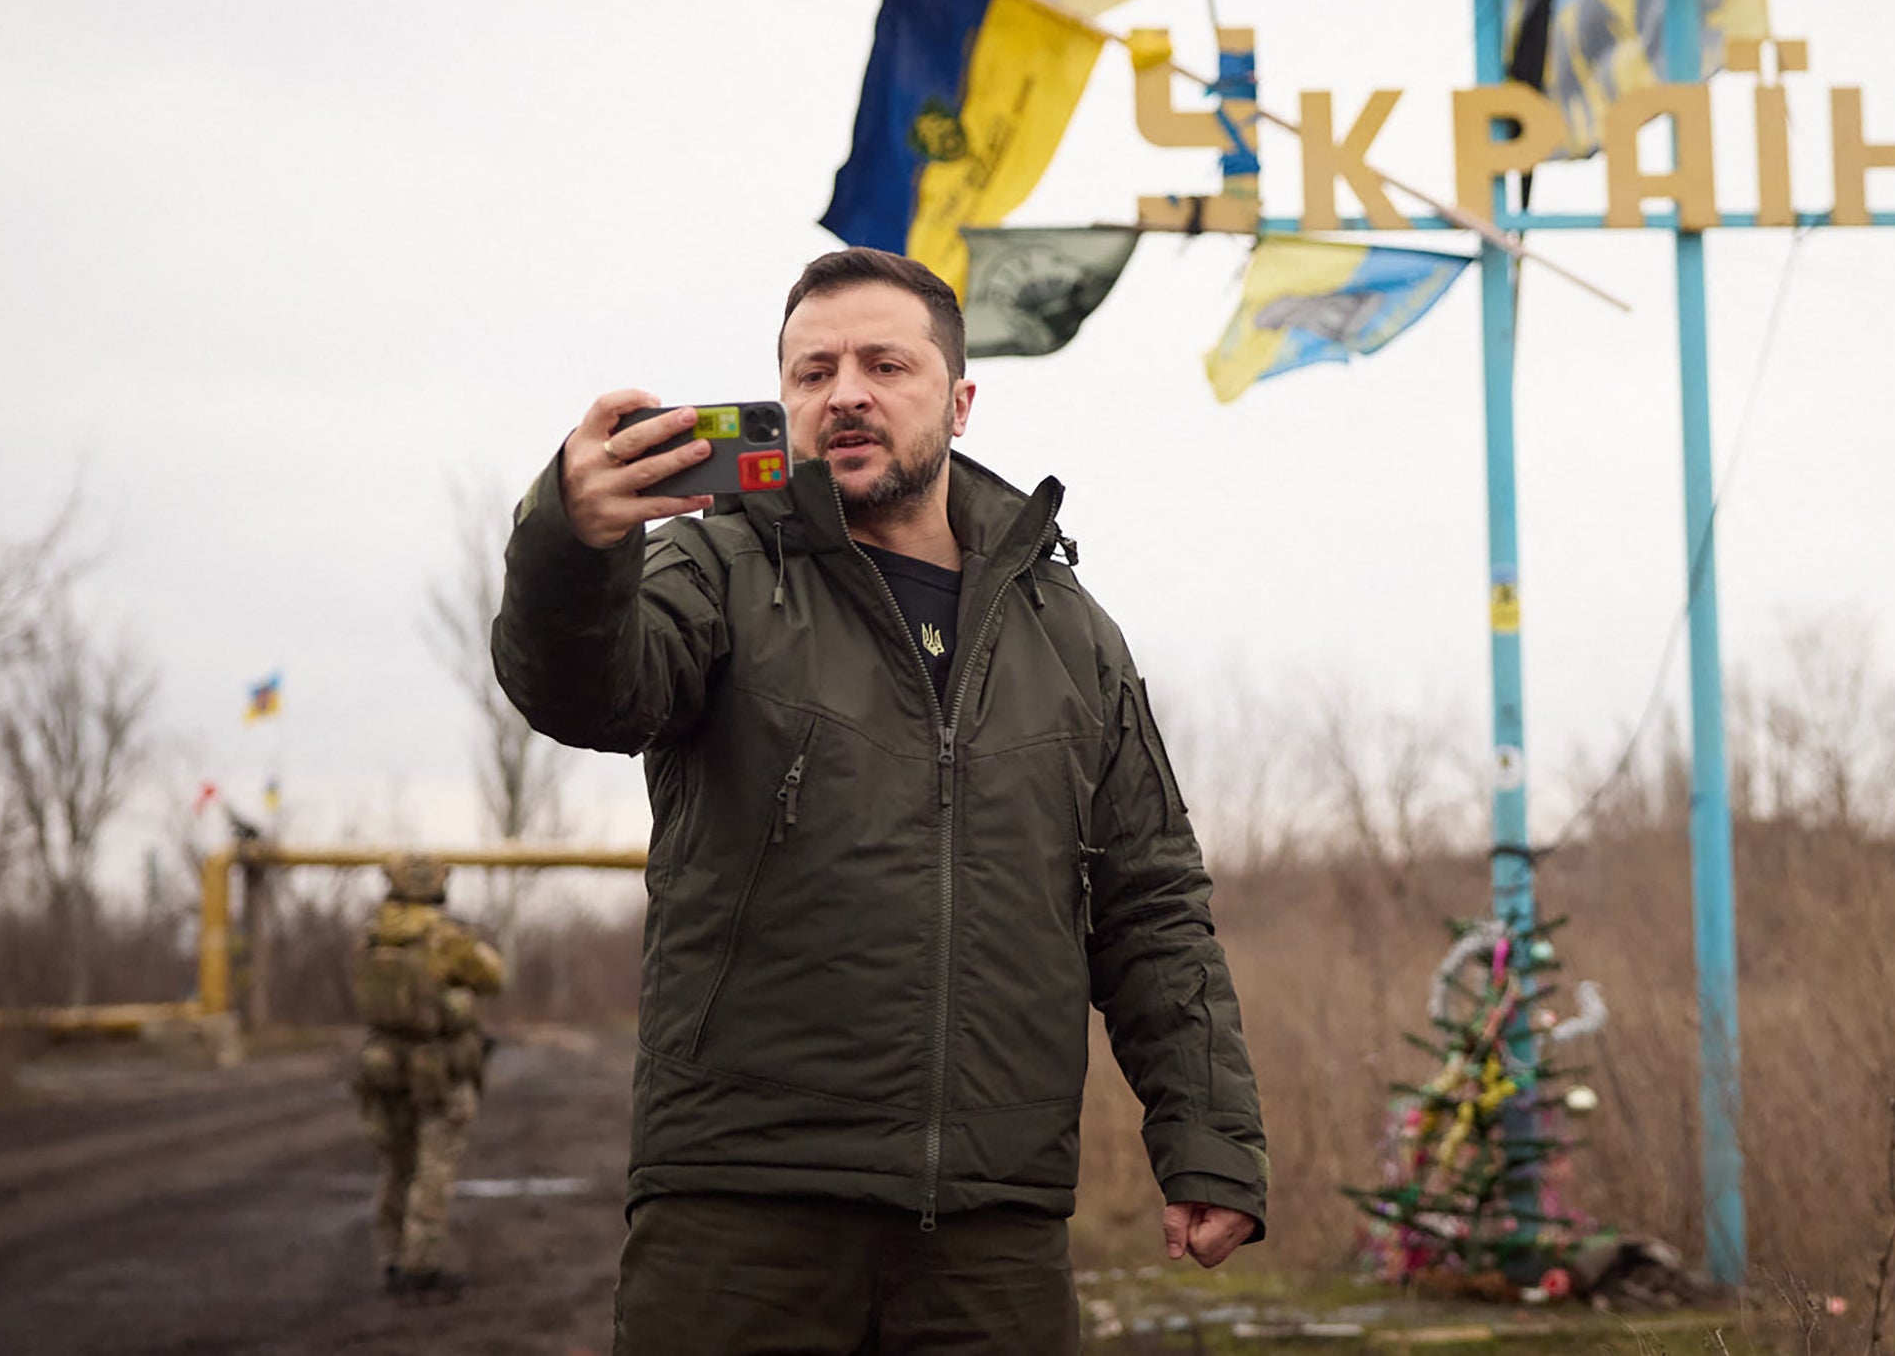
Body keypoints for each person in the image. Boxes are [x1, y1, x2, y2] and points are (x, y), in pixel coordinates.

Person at [491, 246, 1265, 1356]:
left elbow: (1150, 899)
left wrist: (1208, 1139)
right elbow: (586, 689)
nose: (843, 390)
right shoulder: (716, 568)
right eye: (811, 372)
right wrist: (573, 540)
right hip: (741, 1209)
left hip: (991, 1229)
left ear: (956, 400)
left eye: (882, 363)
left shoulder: (1065, 628)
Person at [350, 851, 506, 1298]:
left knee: (396, 1165)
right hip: (438, 1068)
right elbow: (494, 976)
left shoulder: (372, 934)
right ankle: (420, 1266)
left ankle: (392, 1258)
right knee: (433, 1166)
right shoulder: (445, 937)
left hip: (382, 1065)